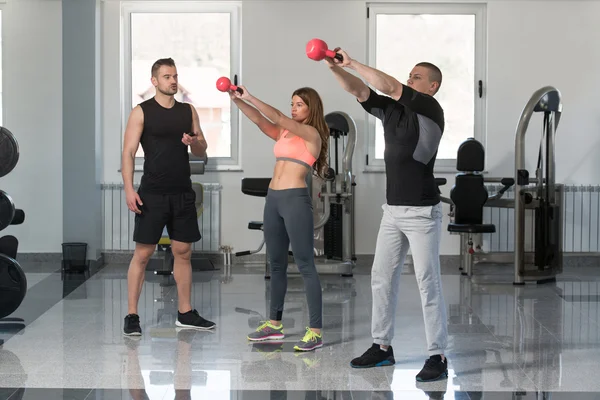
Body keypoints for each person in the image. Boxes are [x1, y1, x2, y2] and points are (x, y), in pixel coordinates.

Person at [323, 49, 449, 382]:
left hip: (423, 212)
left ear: (433, 86)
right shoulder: (393, 111)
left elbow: (388, 84)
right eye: (409, 75)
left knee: (427, 282)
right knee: (381, 278)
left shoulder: (431, 109)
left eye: (417, 77)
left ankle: (437, 355)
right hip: (392, 211)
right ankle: (382, 347)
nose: (410, 79)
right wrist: (333, 66)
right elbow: (359, 90)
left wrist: (350, 61)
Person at [227, 84, 329, 352]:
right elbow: (261, 120)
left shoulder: (311, 134)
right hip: (273, 199)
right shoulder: (285, 132)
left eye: (299, 105)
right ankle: (274, 325)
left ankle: (315, 331)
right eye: (292, 103)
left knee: (305, 264)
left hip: (295, 199)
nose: (293, 109)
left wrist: (250, 94)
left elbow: (278, 117)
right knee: (275, 264)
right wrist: (237, 101)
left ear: (311, 109)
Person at [121, 57, 216, 336]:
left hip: (182, 191)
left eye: (175, 76)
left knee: (183, 252)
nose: (172, 80)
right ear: (154, 81)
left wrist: (194, 141)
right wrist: (129, 188)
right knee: (143, 254)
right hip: (152, 193)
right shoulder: (141, 111)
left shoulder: (188, 111)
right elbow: (128, 152)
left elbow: (202, 150)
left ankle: (185, 313)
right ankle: (132, 315)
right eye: (166, 76)